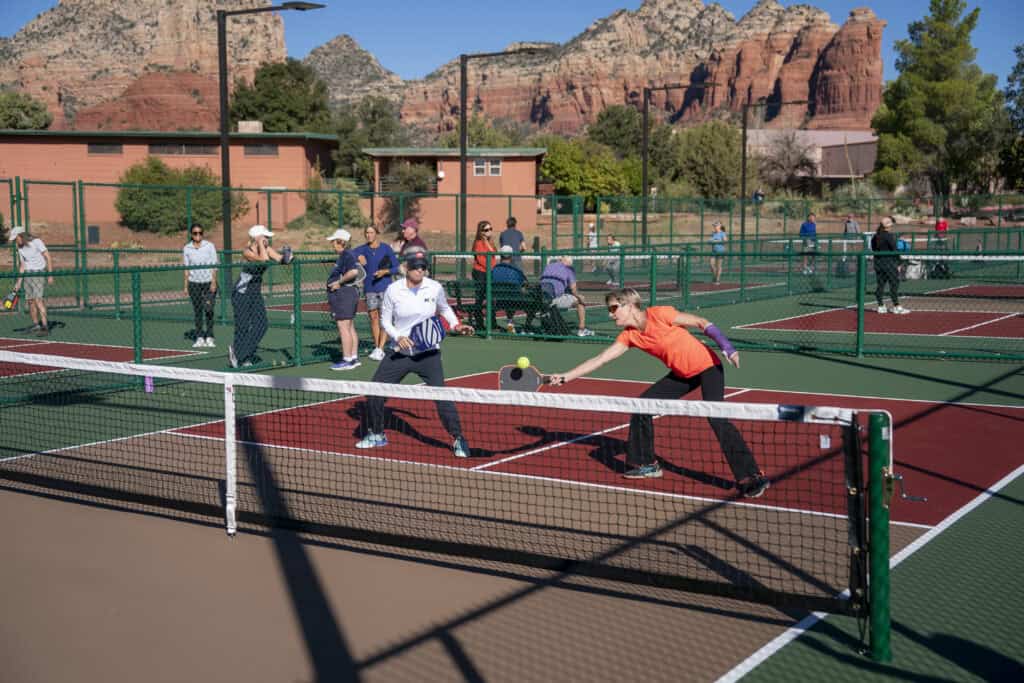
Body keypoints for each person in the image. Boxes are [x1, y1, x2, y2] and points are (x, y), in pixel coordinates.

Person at [549, 288, 769, 497]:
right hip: (683, 375)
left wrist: (727, 347)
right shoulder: (629, 336)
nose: (610, 314)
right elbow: (600, 359)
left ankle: (752, 476)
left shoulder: (660, 314)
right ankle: (647, 465)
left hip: (708, 368)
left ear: (629, 306)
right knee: (642, 406)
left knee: (717, 419)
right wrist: (566, 376)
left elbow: (701, 322)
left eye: (614, 308)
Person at [355, 250, 476, 457]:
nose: (420, 270)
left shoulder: (434, 287)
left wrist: (456, 325)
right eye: (416, 266)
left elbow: (445, 309)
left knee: (441, 397)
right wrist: (397, 336)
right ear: (407, 268)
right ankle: (377, 433)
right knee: (375, 392)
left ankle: (458, 439)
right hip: (400, 353)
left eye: (423, 267)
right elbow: (385, 321)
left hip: (428, 355)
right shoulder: (393, 290)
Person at [229, 224, 292, 368]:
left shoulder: (266, 249)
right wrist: (260, 244)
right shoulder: (247, 252)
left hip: (255, 292)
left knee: (262, 324)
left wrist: (288, 257)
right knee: (243, 326)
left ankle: (240, 353)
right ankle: (243, 357)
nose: (268, 240)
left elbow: (280, 259)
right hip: (241, 293)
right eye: (266, 237)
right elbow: (263, 260)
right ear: (257, 238)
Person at [352, 225, 399, 361]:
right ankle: (377, 347)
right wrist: (357, 257)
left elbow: (396, 267)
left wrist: (384, 272)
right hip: (369, 288)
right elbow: (348, 254)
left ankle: (381, 348)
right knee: (373, 318)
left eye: (371, 232)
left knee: (385, 318)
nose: (368, 235)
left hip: (385, 288)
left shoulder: (386, 248)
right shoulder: (362, 249)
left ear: (376, 234)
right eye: (366, 232)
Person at [325, 228, 362, 370]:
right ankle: (353, 358)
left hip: (344, 294)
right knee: (349, 326)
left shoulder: (347, 255)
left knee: (343, 327)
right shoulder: (346, 255)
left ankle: (347, 359)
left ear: (341, 242)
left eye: (334, 241)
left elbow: (353, 272)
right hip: (347, 293)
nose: (332, 244)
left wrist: (338, 283)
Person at [8, 226, 53, 337]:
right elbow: (23, 265)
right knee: (30, 301)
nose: (15, 240)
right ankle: (36, 325)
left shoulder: (36, 242)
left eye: (16, 238)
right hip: (28, 274)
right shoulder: (19, 247)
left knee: (38, 300)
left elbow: (48, 256)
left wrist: (50, 274)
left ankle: (45, 326)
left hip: (38, 273)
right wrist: (18, 283)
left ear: (21, 236)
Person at [182, 222, 219, 348]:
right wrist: (185, 286)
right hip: (194, 284)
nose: (198, 235)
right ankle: (199, 337)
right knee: (197, 311)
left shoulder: (209, 246)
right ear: (191, 234)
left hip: (208, 283)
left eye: (200, 233)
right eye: (195, 233)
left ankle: (209, 336)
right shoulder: (187, 248)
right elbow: (186, 268)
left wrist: (213, 282)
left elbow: (214, 265)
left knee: (208, 309)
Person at [539, 255, 593, 337]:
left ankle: (530, 326)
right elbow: (573, 289)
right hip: (554, 299)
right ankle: (582, 329)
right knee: (580, 301)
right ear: (569, 263)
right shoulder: (569, 269)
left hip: (540, 298)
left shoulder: (549, 266)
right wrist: (579, 296)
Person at [870, 217, 908, 315]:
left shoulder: (875, 236)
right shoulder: (889, 236)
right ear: (889, 226)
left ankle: (881, 306)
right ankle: (896, 306)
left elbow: (874, 249)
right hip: (889, 264)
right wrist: (899, 263)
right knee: (894, 284)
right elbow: (894, 250)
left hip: (879, 264)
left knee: (880, 285)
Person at [491, 245, 528, 332]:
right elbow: (525, 284)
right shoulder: (516, 271)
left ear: (500, 256)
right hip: (515, 301)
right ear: (511, 256)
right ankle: (525, 326)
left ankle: (495, 324)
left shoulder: (493, 270)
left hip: (498, 301)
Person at [708, 220, 726, 285]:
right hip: (713, 251)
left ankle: (717, 279)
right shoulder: (713, 233)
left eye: (716, 226)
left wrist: (718, 240)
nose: (715, 227)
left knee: (718, 266)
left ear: (719, 226)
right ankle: (715, 276)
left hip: (720, 251)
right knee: (711, 264)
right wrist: (711, 241)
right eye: (714, 226)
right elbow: (710, 240)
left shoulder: (722, 233)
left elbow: (725, 241)